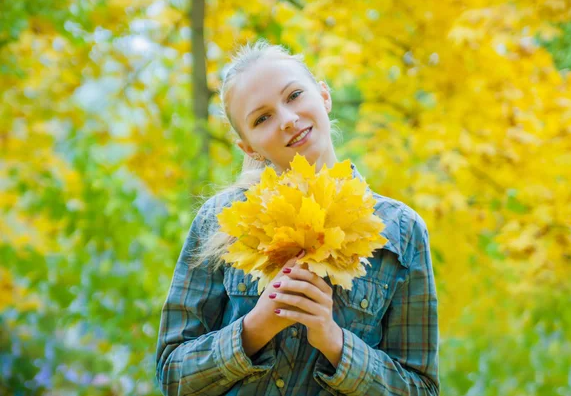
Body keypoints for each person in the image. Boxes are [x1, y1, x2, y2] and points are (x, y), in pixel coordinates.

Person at [155, 39, 440, 395]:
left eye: (294, 96)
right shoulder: (222, 220)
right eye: (262, 118)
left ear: (323, 96)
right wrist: (255, 329)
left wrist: (336, 343)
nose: (287, 120)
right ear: (248, 146)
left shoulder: (401, 229)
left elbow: (422, 388)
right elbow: (172, 374)